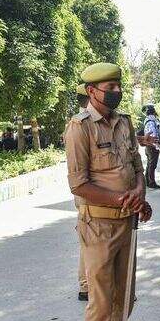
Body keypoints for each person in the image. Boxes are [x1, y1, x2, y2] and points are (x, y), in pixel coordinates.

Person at [65, 62, 153, 321]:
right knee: (101, 306)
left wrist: (139, 198)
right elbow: (79, 184)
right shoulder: (79, 128)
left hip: (127, 225)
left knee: (124, 301)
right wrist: (120, 200)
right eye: (108, 87)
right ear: (92, 92)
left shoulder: (125, 123)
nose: (115, 91)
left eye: (118, 85)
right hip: (98, 227)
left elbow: (137, 168)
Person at [72, 83, 90, 301]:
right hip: (88, 193)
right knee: (88, 237)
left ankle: (86, 284)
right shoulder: (81, 124)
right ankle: (85, 284)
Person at [141, 105, 160, 189]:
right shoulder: (151, 122)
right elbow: (153, 135)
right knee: (152, 165)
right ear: (154, 112)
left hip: (148, 146)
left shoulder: (148, 121)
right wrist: (157, 146)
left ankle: (148, 182)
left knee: (149, 164)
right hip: (152, 146)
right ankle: (151, 182)